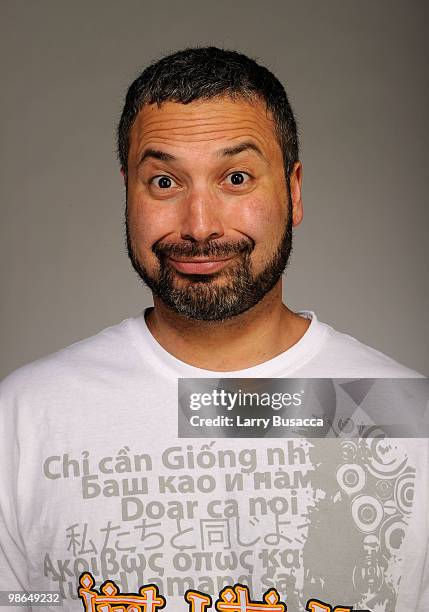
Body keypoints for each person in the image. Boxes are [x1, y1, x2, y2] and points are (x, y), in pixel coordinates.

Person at [0, 47, 427, 612]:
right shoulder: (25, 419)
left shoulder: (405, 414)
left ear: (293, 191)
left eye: (236, 177)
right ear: (127, 192)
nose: (200, 227)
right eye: (163, 182)